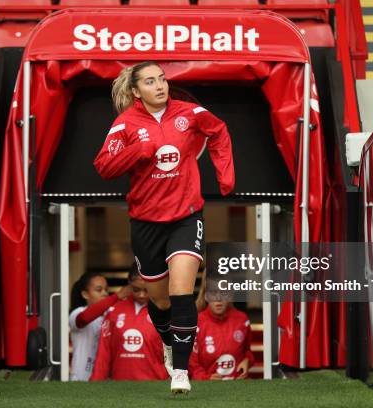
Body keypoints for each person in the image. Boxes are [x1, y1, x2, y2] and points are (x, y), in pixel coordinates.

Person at [93, 61, 235, 393]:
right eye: (150, 81)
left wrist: (225, 174)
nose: (159, 86)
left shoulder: (192, 113)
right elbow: (104, 166)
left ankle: (181, 372)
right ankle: (170, 344)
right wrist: (136, 151)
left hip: (186, 216)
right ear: (135, 90)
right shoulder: (124, 125)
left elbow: (220, 131)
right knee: (160, 300)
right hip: (145, 222)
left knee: (181, 291)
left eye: (163, 79)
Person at [90, 265, 167, 381]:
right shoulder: (114, 311)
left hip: (155, 384)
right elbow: (104, 352)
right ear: (129, 284)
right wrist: (95, 382)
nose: (141, 294)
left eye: (147, 290)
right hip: (120, 385)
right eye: (136, 289)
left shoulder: (165, 310)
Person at [69, 271, 131, 381]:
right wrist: (117, 296)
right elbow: (84, 318)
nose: (104, 293)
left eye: (106, 290)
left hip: (105, 378)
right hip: (81, 378)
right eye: (99, 290)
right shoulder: (77, 312)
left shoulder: (111, 315)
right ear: (85, 294)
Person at [189, 286, 254, 380]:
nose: (218, 299)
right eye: (213, 293)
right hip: (208, 388)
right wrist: (207, 378)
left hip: (238, 385)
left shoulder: (242, 320)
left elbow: (247, 351)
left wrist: (247, 360)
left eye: (223, 293)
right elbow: (192, 364)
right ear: (206, 296)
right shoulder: (196, 323)